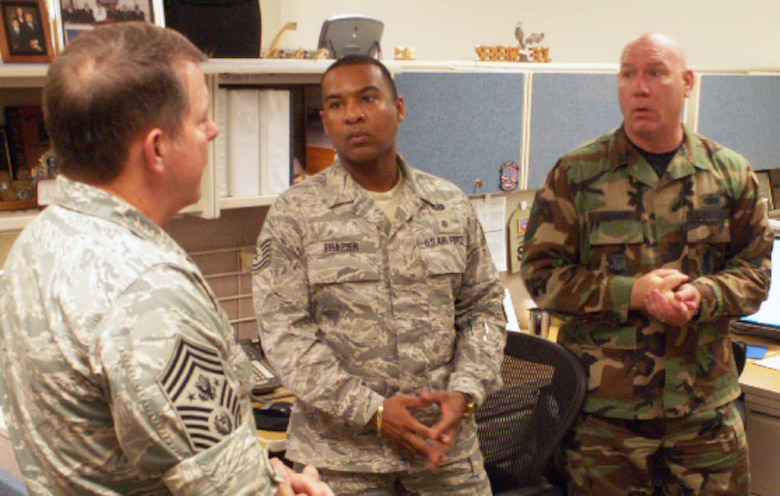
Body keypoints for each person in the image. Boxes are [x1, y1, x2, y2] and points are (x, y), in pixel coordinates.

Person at [0, 22, 332, 496]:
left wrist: (273, 477)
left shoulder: (40, 240)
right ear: (157, 148)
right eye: (200, 120)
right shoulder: (148, 295)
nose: (214, 130)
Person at [521, 32, 773, 495]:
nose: (639, 87)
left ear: (687, 82)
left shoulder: (731, 174)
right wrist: (630, 293)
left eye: (655, 72)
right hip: (606, 424)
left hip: (705, 416)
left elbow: (755, 273)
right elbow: (541, 275)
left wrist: (703, 295)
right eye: (628, 74)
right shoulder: (577, 174)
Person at [252, 55, 507, 495]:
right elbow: (285, 334)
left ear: (400, 108)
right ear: (325, 121)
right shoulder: (295, 214)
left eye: (368, 98)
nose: (352, 113)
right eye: (335, 105)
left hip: (444, 454)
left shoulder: (448, 204)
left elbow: (484, 309)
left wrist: (466, 391)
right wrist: (370, 409)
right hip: (341, 462)